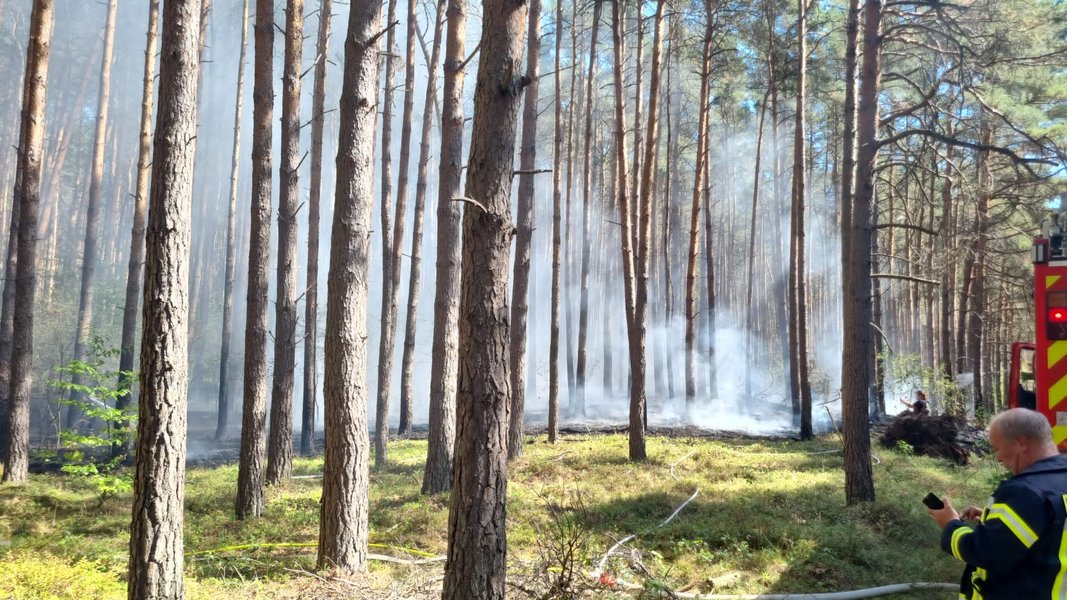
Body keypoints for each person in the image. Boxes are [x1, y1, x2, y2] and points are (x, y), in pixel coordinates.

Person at [927, 408, 1067, 599]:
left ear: (1021, 443)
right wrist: (994, 517)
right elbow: (1053, 523)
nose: (997, 457)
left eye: (996, 448)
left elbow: (986, 553)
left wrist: (950, 524)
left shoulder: (1024, 491)